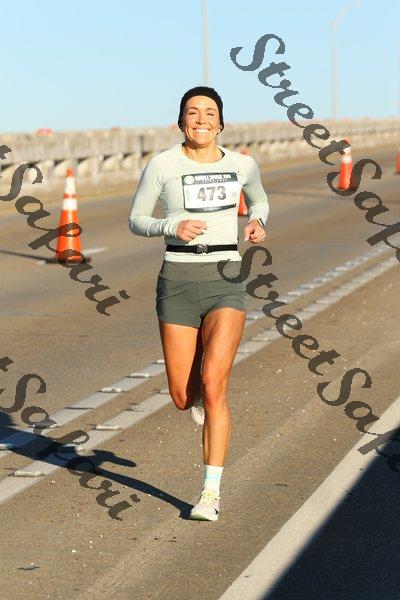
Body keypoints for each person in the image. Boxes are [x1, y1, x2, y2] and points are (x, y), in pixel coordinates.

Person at [128, 86, 269, 521]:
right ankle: (199, 400)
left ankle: (210, 494)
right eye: (193, 113)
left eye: (210, 113)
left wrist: (257, 220)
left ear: (221, 123)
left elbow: (259, 198)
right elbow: (137, 219)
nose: (202, 119)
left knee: (214, 383)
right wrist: (171, 225)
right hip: (177, 279)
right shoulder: (163, 165)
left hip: (226, 276)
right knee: (182, 395)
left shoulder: (242, 165)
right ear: (181, 122)